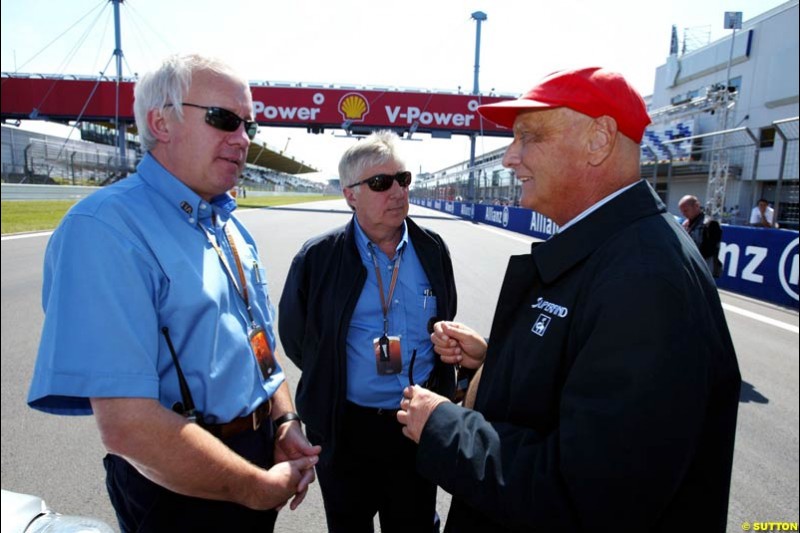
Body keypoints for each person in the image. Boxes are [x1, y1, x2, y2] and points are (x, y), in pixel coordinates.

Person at [397, 67, 741, 532]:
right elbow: (573, 383)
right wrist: (495, 364)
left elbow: (589, 495)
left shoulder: (645, 278)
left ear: (598, 139)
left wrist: (442, 424)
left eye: (529, 137)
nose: (510, 158)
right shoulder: (615, 250)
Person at [27, 53, 320, 533]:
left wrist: (284, 421)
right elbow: (128, 426)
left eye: (249, 124)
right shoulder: (105, 228)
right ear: (160, 122)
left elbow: (259, 346)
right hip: (178, 481)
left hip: (255, 452)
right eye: (224, 119)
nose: (243, 139)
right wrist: (255, 488)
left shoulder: (229, 228)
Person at [279, 130, 458, 532]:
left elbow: (445, 318)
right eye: (381, 183)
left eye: (403, 179)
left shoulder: (433, 249)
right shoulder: (317, 257)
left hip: (415, 426)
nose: (397, 192)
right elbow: (296, 338)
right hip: (346, 430)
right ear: (350, 194)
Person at [678, 194, 723, 278]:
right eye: (682, 211)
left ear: (696, 206)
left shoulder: (710, 224)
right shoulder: (686, 224)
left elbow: (709, 251)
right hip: (689, 270)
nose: (683, 214)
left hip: (702, 273)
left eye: (686, 210)